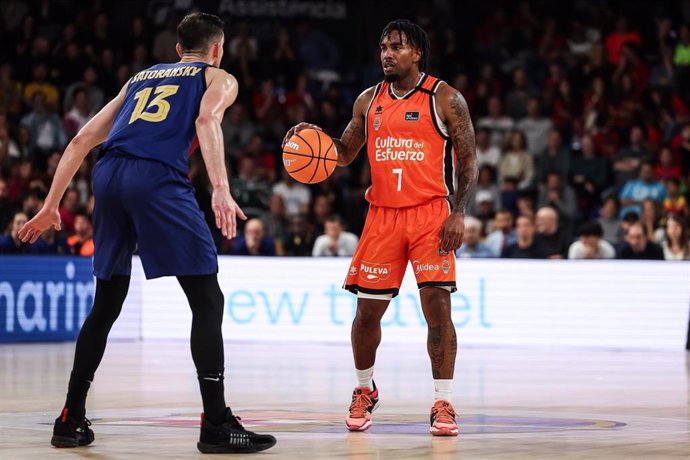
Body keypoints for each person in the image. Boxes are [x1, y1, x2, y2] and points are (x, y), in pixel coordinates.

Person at [18, 13, 276, 454]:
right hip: (155, 177)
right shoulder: (219, 77)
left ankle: (70, 418)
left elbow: (82, 139)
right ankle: (216, 423)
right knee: (207, 299)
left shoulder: (141, 77)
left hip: (107, 174)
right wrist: (219, 188)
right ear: (217, 49)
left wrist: (50, 205)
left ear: (178, 49)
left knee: (107, 302)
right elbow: (206, 121)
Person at [284, 19, 477, 436]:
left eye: (398, 46)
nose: (388, 53)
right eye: (384, 46)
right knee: (366, 313)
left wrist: (458, 211)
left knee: (438, 309)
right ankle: (363, 389)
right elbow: (343, 153)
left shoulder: (445, 98)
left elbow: (469, 162)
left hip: (431, 214)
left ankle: (443, 401)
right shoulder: (368, 101)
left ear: (417, 53)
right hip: (383, 216)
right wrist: (310, 141)